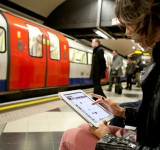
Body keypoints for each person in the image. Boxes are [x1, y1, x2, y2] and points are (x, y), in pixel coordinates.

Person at [59, 0, 160, 149]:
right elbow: (153, 120)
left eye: (128, 23)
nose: (127, 32)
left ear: (148, 17)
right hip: (147, 138)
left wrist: (108, 139)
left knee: (70, 135)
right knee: (83, 127)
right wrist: (122, 112)